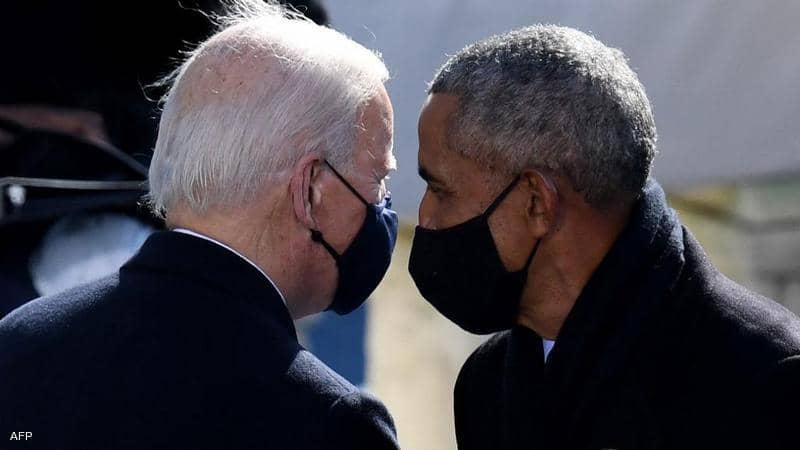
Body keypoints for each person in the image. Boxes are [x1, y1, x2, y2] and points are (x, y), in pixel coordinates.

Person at [0, 2, 400, 449]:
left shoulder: (17, 344)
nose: (383, 205)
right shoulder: (331, 421)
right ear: (309, 191)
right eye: (378, 179)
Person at [408, 24, 800, 449]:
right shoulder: (488, 384)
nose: (424, 217)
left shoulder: (762, 378)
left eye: (440, 190)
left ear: (537, 202)